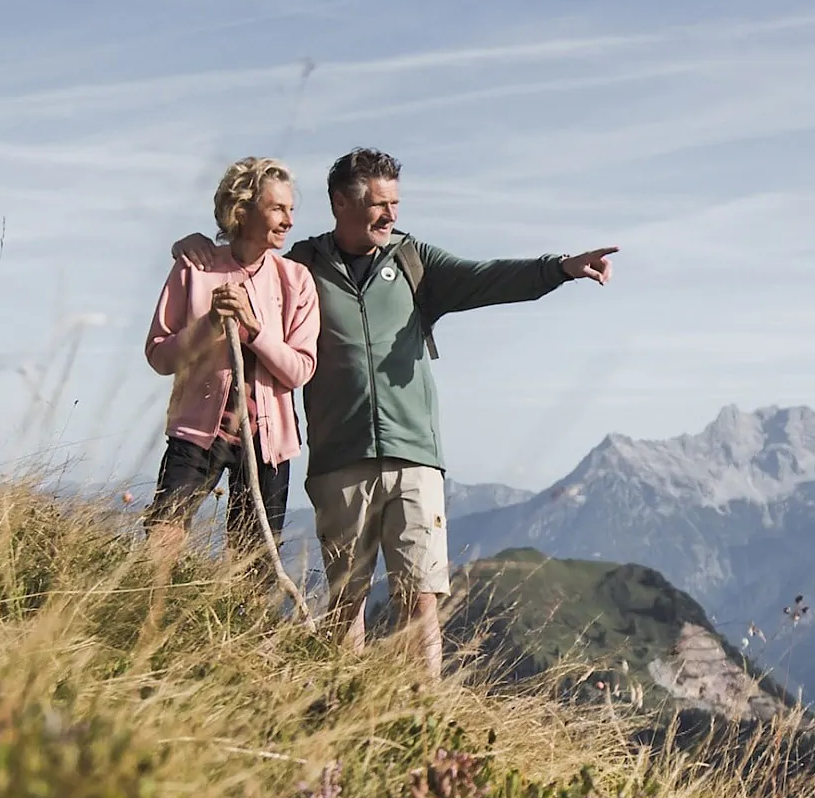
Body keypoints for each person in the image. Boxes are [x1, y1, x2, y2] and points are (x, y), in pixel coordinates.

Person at [172, 148, 617, 677]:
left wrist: (560, 269)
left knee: (421, 597)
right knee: (346, 604)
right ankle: (344, 710)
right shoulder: (303, 267)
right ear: (341, 202)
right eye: (379, 203)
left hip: (414, 455)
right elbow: (246, 258)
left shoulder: (414, 261)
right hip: (339, 458)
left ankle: (425, 717)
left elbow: (488, 276)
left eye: (396, 202)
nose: (391, 214)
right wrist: (198, 245)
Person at [145, 157, 319, 562]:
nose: (289, 220)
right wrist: (209, 323)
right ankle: (151, 621)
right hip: (196, 434)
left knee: (252, 562)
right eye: (278, 208)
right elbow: (159, 355)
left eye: (291, 209)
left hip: (270, 444)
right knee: (162, 539)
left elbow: (300, 370)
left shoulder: (296, 280)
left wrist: (253, 328)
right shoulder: (196, 266)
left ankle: (237, 628)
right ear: (241, 210)